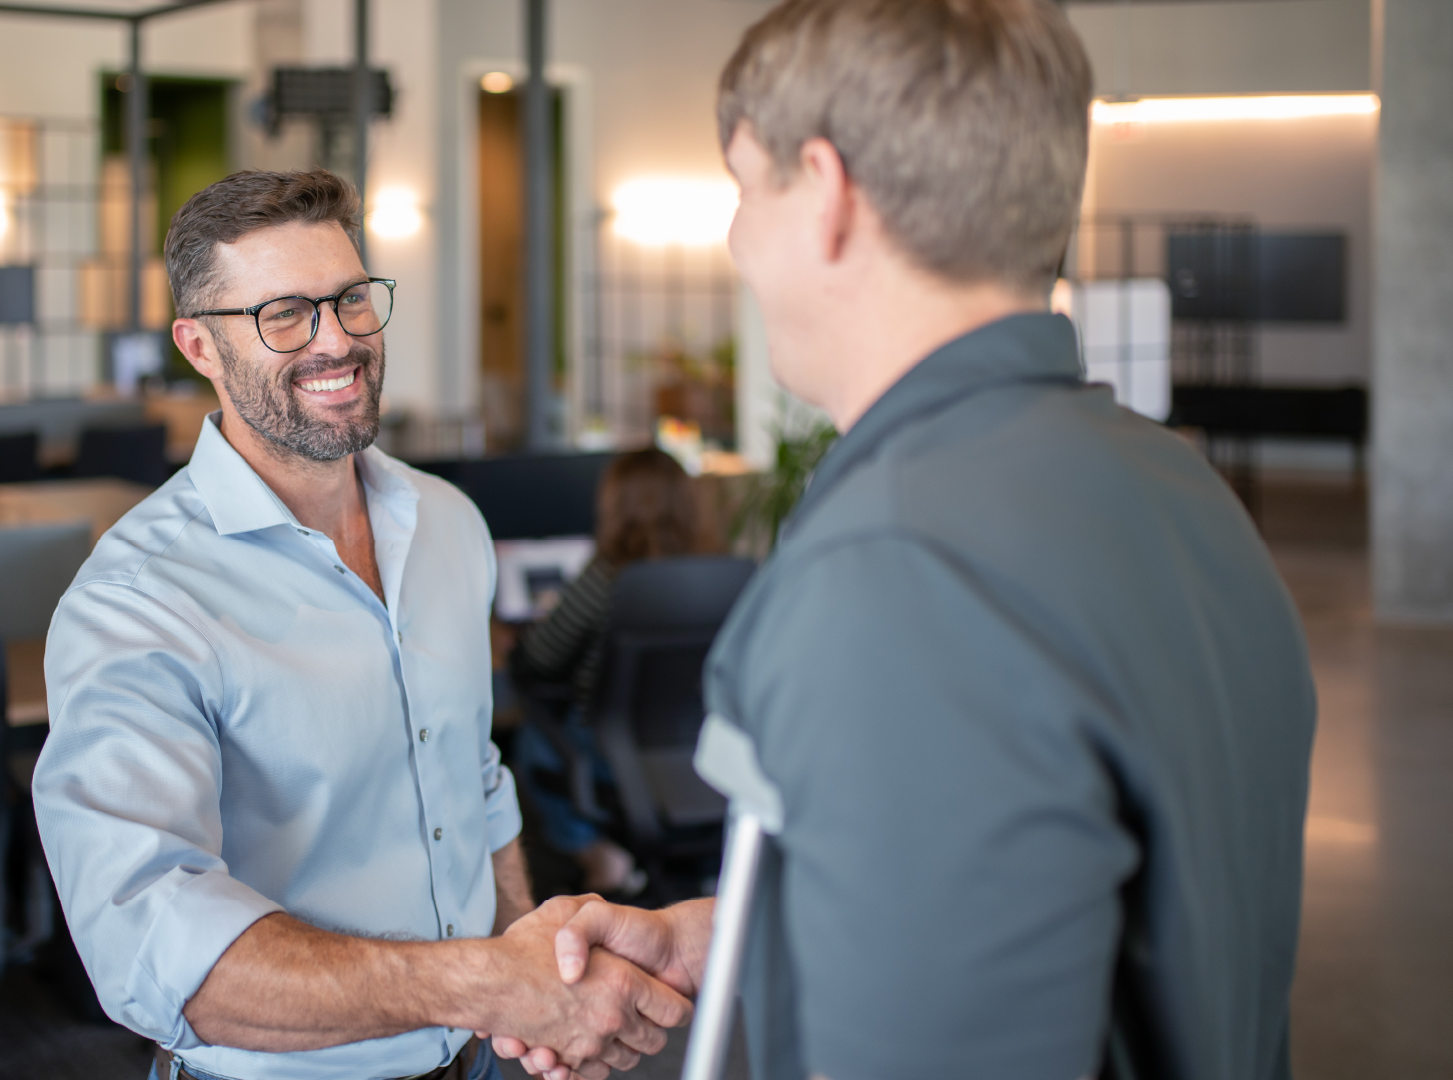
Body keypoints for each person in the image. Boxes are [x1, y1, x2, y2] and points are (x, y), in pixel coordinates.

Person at [504, 3, 1317, 1080]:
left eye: (747, 189)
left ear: (830, 197)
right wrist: (733, 936)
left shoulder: (892, 572)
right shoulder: (1180, 491)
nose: (739, 238)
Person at [32, 169, 688, 1080]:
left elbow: (473, 776)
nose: (335, 339)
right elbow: (153, 950)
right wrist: (485, 983)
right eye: (285, 315)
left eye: (349, 299)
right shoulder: (139, 600)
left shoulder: (449, 522)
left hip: (480, 1061)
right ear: (199, 347)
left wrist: (524, 992)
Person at [508, 448, 702, 895]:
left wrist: (515, 642)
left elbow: (540, 659)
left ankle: (595, 853)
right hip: (691, 757)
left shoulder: (606, 577)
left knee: (535, 739)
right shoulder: (716, 575)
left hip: (612, 757)